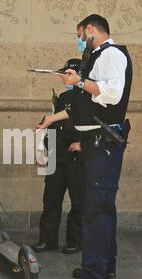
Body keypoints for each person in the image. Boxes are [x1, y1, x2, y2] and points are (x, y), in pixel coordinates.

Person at [38, 14, 133, 279]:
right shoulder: (97, 57)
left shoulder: (111, 55)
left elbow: (112, 95)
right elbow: (82, 106)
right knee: (101, 206)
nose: (79, 41)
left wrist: (79, 81)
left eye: (80, 35)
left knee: (96, 209)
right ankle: (105, 266)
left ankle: (93, 275)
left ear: (91, 30)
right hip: (95, 140)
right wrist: (53, 116)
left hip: (102, 140)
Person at [32, 59, 84, 255]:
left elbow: (79, 117)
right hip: (58, 153)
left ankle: (75, 240)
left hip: (76, 154)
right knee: (51, 199)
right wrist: (43, 148)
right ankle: (47, 240)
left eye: (67, 73)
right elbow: (53, 124)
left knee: (79, 201)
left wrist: (83, 145)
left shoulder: (88, 95)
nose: (63, 76)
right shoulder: (62, 97)